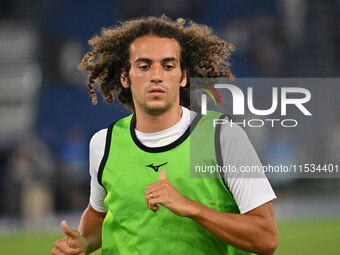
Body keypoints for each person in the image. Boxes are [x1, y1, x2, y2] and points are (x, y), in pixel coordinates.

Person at [52, 16, 278, 255]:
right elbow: (99, 214)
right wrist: (84, 243)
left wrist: (191, 208)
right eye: (144, 66)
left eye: (168, 66)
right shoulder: (104, 143)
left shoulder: (220, 136)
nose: (156, 76)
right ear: (125, 77)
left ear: (182, 77)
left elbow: (265, 238)